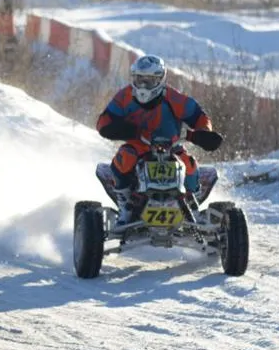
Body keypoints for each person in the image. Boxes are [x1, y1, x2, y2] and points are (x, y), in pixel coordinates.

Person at [95, 55, 223, 226]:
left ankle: (191, 204)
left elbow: (199, 116)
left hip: (172, 148)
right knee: (124, 158)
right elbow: (104, 120)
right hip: (139, 146)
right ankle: (125, 203)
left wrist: (203, 133)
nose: (143, 85)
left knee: (189, 165)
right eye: (139, 79)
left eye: (149, 80)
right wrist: (117, 129)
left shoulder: (174, 98)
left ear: (160, 80)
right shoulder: (124, 96)